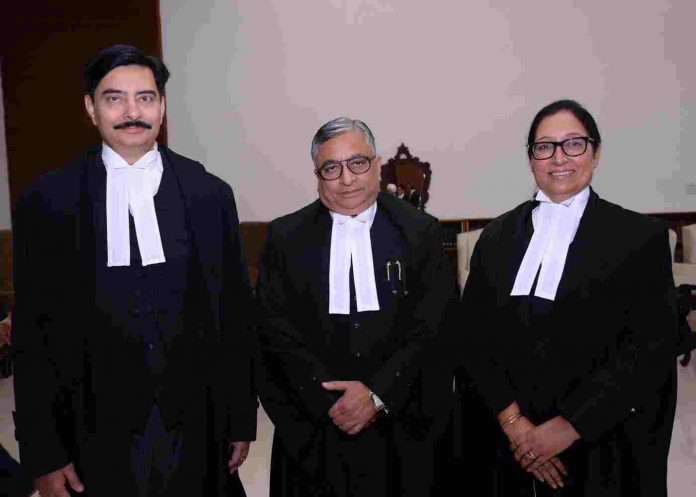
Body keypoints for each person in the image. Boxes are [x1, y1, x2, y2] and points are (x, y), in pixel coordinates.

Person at [12, 45, 256, 496]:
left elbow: (236, 317)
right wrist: (43, 452)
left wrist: (240, 418)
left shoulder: (209, 194)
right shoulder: (48, 202)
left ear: (162, 106)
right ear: (91, 109)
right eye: (114, 98)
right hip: (91, 430)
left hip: (196, 425)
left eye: (145, 98)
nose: (132, 112)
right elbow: (32, 336)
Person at [461, 99, 679, 496]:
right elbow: (473, 338)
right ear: (531, 159)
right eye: (545, 146)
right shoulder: (495, 238)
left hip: (601, 442)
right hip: (508, 441)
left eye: (574, 144)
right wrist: (516, 426)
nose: (559, 158)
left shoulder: (639, 237)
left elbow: (649, 349)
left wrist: (569, 426)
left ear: (596, 153)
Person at [256, 117, 456, 496]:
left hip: (402, 430)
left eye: (358, 163)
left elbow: (432, 328)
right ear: (317, 176)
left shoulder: (420, 232)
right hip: (314, 432)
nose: (347, 179)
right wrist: (330, 403)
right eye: (332, 168)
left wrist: (377, 395)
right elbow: (275, 333)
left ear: (377, 166)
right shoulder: (285, 238)